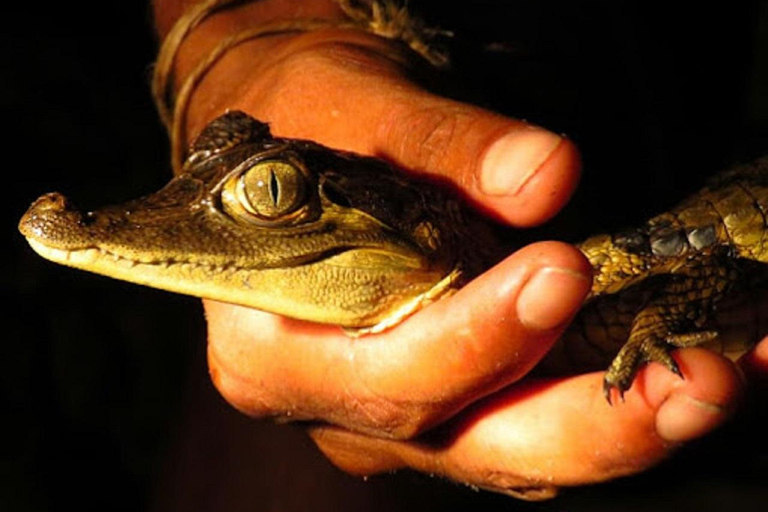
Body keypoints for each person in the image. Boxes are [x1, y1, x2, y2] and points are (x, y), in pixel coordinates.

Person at [152, 0, 764, 499]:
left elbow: (713, 259)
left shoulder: (598, 276)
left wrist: (658, 321)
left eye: (271, 191)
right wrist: (241, 50)